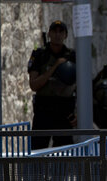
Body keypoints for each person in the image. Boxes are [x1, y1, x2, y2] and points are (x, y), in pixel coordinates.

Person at [28, 20, 77, 149]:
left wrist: (77, 113)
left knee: (65, 152)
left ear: (66, 35)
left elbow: (80, 86)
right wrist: (55, 67)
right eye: (54, 31)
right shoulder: (40, 54)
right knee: (38, 150)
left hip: (64, 110)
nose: (57, 35)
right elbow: (33, 85)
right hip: (44, 108)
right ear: (49, 34)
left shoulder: (72, 55)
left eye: (61, 32)